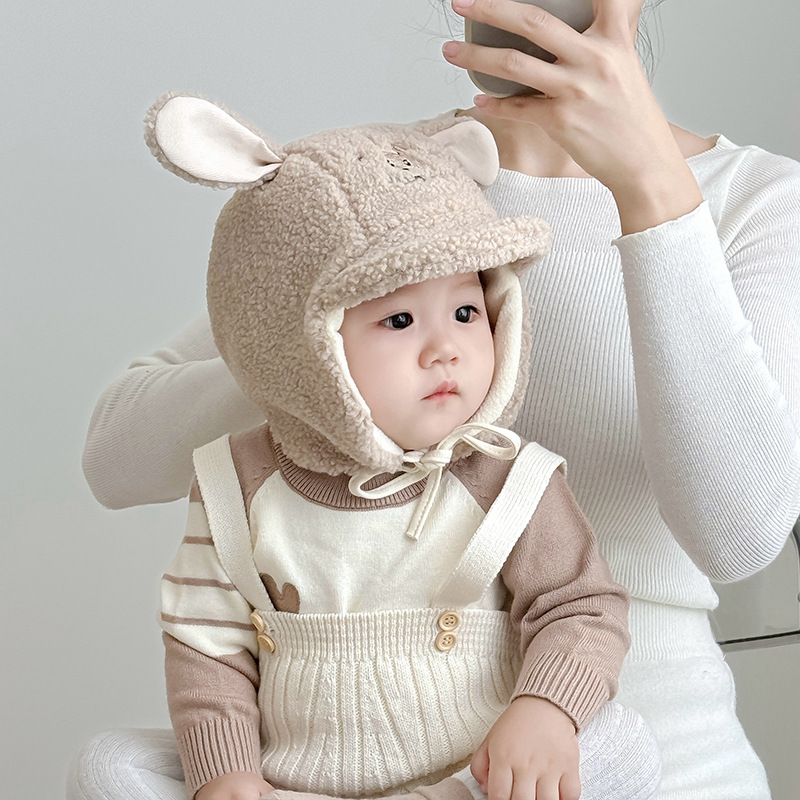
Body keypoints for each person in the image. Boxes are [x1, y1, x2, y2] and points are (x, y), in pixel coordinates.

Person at [72, 1, 800, 799]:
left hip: (631, 756)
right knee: (111, 772)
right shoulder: (381, 181)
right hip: (335, 758)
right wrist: (326, 349)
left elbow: (739, 536)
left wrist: (652, 187)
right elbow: (115, 456)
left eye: (466, 313)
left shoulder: (754, 197)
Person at [95, 93, 660, 800]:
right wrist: (228, 776)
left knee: (625, 745)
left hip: (472, 780)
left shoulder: (513, 479)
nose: (444, 349)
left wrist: (544, 711)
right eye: (398, 320)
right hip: (299, 785)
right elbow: (207, 646)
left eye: (466, 311)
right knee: (109, 767)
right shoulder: (233, 483)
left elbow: (581, 607)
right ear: (298, 350)